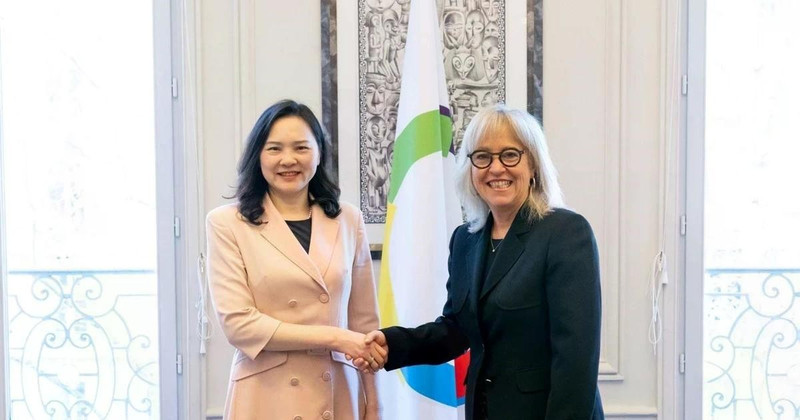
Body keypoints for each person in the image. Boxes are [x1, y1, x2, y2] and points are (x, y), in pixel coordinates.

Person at [356, 104, 604, 419]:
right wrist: (391, 344)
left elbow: (576, 360)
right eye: (482, 157)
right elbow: (457, 331)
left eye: (510, 155)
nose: (496, 168)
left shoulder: (566, 233)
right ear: (471, 169)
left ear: (534, 166)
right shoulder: (466, 240)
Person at [206, 100, 386, 420]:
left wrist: (374, 405)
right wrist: (336, 337)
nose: (288, 160)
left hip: (338, 394)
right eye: (274, 148)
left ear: (319, 152)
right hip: (265, 398)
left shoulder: (348, 219)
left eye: (301, 147)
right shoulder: (227, 223)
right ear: (257, 156)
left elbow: (365, 326)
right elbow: (239, 324)